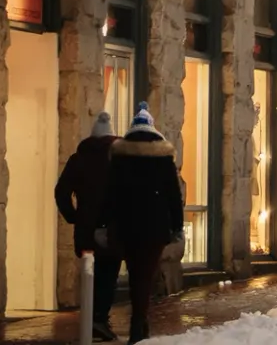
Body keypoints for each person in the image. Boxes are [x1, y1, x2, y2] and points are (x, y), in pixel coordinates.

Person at [93, 105, 184, 345]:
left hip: (126, 224)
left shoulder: (121, 158)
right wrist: (177, 226)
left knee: (136, 273)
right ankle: (138, 324)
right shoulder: (163, 160)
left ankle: (140, 323)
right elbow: (174, 197)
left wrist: (102, 224)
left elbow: (109, 194)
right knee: (144, 275)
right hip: (154, 227)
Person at [52, 114, 120, 332]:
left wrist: (73, 216)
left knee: (89, 273)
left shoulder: (78, 159)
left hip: (86, 227)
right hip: (111, 227)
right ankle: (99, 318)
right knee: (108, 274)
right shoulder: (118, 160)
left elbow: (61, 192)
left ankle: (91, 319)